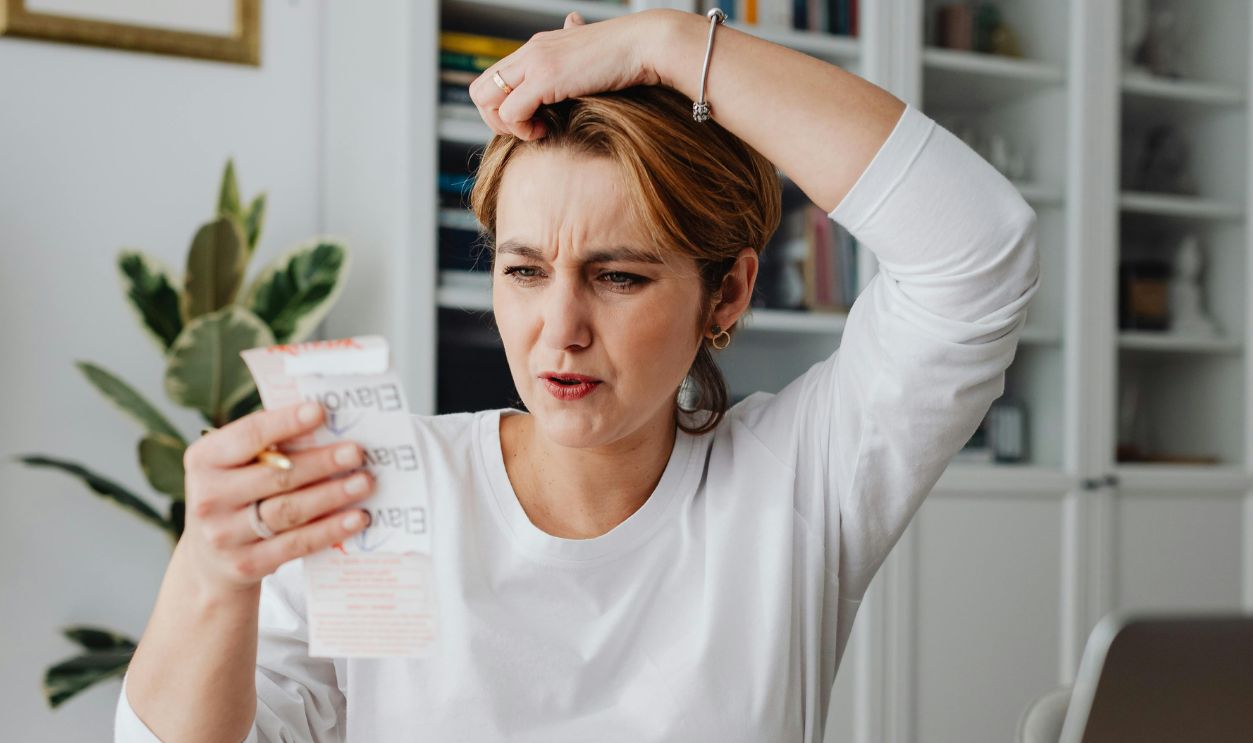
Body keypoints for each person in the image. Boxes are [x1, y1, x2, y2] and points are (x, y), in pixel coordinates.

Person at [116, 7, 1039, 742]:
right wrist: (210, 571)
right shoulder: (383, 494)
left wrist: (666, 41)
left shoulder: (796, 484)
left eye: (618, 276)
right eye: (523, 271)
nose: (559, 329)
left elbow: (976, 249)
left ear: (726, 294)